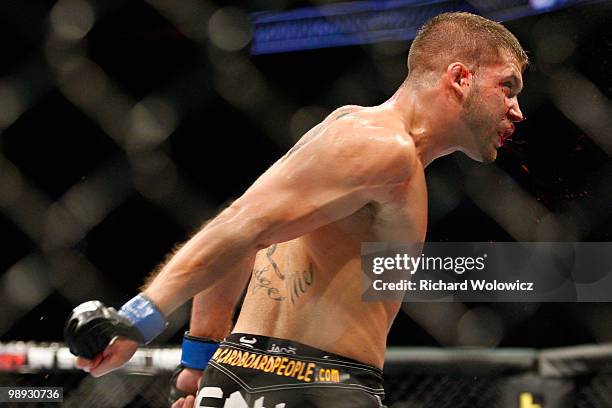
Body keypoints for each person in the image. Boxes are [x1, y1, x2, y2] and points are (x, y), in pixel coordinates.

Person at [64, 12, 527, 408]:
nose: (517, 110)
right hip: (320, 384)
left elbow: (245, 223)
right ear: (460, 78)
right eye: (507, 87)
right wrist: (137, 319)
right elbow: (242, 224)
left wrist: (198, 361)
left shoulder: (350, 126)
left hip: (238, 371)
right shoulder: (387, 148)